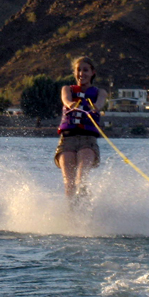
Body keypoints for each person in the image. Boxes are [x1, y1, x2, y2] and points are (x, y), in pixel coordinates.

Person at [54, 56, 107, 203]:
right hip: (67, 140)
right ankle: (71, 216)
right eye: (78, 70)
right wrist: (71, 104)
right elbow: (65, 98)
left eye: (85, 70)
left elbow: (101, 102)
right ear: (74, 73)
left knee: (80, 180)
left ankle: (85, 211)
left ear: (92, 72)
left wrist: (95, 107)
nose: (81, 73)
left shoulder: (100, 92)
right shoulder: (67, 89)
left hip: (87, 140)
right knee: (69, 184)